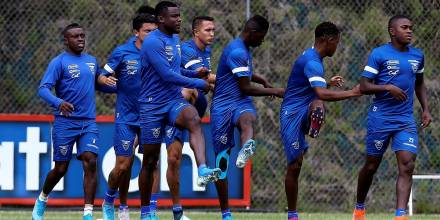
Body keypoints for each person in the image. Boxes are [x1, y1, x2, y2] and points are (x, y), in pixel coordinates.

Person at [138, 1, 221, 219]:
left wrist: (195, 74)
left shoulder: (174, 39)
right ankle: (146, 212)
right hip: (152, 105)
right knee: (150, 161)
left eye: (179, 15)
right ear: (161, 19)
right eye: (174, 16)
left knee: (193, 118)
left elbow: (176, 70)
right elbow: (167, 75)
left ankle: (202, 168)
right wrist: (199, 84)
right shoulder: (152, 43)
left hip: (172, 100)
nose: (179, 19)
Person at [280, 21, 362, 220]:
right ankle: (292, 215)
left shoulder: (313, 57)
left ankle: (311, 124)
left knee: (317, 106)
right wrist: (352, 92)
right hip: (291, 113)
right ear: (328, 40)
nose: (337, 47)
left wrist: (327, 82)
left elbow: (309, 83)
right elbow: (321, 93)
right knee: (295, 165)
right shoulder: (312, 61)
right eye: (337, 43)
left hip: (304, 108)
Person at [352, 15, 431, 220]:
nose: (409, 31)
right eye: (404, 27)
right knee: (371, 166)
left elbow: (419, 83)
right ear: (392, 31)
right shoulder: (379, 54)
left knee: (407, 164)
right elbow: (364, 85)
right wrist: (387, 87)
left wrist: (425, 109)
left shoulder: (418, 55)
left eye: (411, 27)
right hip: (381, 118)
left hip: (405, 120)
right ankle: (359, 208)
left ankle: (400, 215)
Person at [210, 15, 285, 220]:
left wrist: (261, 79)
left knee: (248, 119)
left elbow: (243, 75)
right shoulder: (237, 51)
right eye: (261, 36)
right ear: (252, 32)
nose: (262, 40)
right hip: (223, 107)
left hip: (240, 102)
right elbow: (245, 86)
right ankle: (226, 213)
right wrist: (277, 91)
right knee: (221, 163)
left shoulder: (242, 48)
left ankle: (246, 147)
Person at [32, 23, 102, 220]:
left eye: (82, 35)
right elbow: (43, 89)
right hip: (65, 123)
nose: (80, 39)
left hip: (88, 122)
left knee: (91, 161)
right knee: (61, 168)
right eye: (75, 36)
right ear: (66, 40)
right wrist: (59, 102)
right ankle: (42, 198)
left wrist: (120, 86)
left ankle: (88, 213)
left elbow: (99, 84)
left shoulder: (91, 61)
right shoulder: (58, 62)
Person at [99, 13, 157, 220]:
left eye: (154, 31)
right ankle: (108, 201)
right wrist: (106, 82)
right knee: (123, 165)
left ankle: (147, 211)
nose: (151, 35)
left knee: (151, 164)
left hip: (152, 116)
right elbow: (101, 76)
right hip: (126, 117)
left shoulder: (161, 52)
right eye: (147, 31)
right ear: (136, 32)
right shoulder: (123, 52)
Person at [163, 15, 216, 220]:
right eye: (208, 30)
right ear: (196, 32)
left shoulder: (207, 51)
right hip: (178, 108)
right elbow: (203, 78)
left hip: (195, 108)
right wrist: (235, 81)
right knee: (173, 159)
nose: (212, 33)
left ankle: (202, 168)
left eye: (213, 30)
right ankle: (176, 212)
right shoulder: (187, 49)